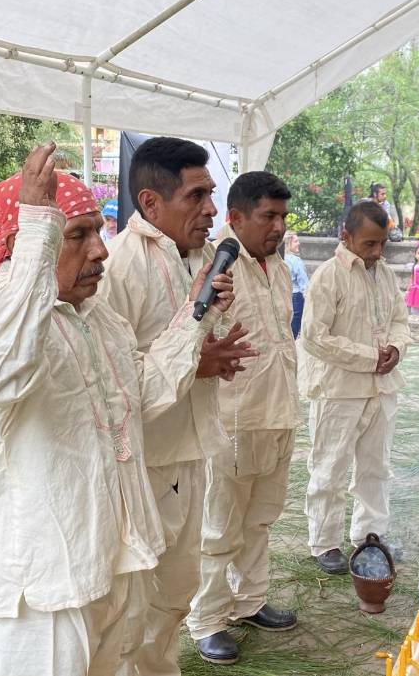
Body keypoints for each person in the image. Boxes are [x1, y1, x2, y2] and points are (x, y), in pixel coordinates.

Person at [0, 143, 236, 676]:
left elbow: (141, 396)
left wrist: (195, 317)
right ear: (26, 243)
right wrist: (38, 226)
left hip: (111, 564)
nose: (100, 251)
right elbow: (0, 374)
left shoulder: (98, 320)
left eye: (98, 232)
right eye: (78, 235)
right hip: (39, 590)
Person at [97, 136, 256, 676]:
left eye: (211, 193)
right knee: (135, 603)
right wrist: (197, 360)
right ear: (150, 203)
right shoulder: (118, 265)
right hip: (142, 463)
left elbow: (193, 342)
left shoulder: (205, 259)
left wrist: (213, 358)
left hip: (190, 451)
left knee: (178, 590)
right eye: (198, 195)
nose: (212, 208)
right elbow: (112, 382)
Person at [187, 172, 298, 665]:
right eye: (267, 216)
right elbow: (195, 339)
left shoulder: (279, 265)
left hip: (278, 412)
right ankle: (207, 618)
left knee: (261, 518)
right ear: (233, 218)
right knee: (220, 525)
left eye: (282, 217)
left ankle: (250, 600)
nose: (277, 227)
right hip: (233, 418)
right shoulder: (218, 265)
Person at [299, 200, 410, 574]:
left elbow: (400, 319)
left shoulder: (386, 274)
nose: (377, 252)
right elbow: (314, 337)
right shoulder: (328, 276)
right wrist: (369, 357)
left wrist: (396, 347)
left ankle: (369, 534)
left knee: (376, 467)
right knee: (330, 467)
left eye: (382, 244)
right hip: (339, 389)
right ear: (345, 237)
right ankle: (324, 541)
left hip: (382, 387)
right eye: (369, 244)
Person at [283, 232, 308, 338]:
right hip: (296, 298)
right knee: (292, 333)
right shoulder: (296, 261)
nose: (299, 243)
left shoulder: (279, 259)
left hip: (282, 296)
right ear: (288, 243)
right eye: (296, 241)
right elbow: (305, 285)